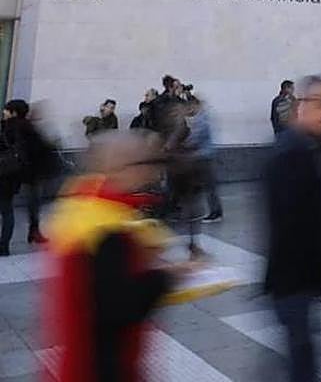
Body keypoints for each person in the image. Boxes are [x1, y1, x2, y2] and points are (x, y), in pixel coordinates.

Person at [43, 131, 189, 382]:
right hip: (101, 366)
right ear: (118, 167)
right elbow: (120, 305)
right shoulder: (104, 225)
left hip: (88, 358)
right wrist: (168, 276)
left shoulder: (86, 200)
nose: (153, 172)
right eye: (145, 163)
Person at [264, 73, 321, 382]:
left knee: (304, 362)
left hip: (305, 283)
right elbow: (294, 226)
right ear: (303, 106)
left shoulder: (314, 148)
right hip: (294, 283)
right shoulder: (290, 153)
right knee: (304, 367)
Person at [1, 99, 54, 253]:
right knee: (27, 206)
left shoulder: (15, 127)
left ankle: (8, 243)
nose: (3, 112)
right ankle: (32, 232)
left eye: (6, 110)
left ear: (13, 112)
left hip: (16, 174)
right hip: (21, 174)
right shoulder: (24, 127)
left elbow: (36, 150)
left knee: (11, 209)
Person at [184, 96, 222, 223]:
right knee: (208, 186)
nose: (189, 110)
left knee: (209, 186)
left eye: (190, 107)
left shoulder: (201, 120)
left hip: (204, 157)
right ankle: (214, 211)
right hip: (204, 156)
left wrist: (183, 144)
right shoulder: (202, 118)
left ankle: (215, 213)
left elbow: (195, 138)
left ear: (195, 105)